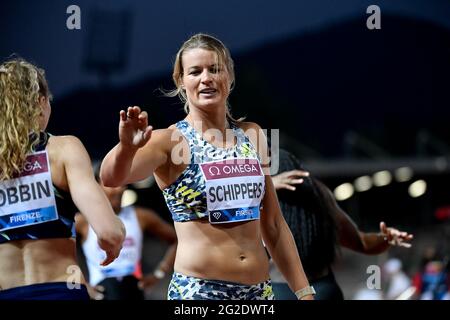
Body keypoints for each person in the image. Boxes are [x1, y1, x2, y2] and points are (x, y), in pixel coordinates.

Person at [100, 33, 314, 300]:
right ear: (181, 82)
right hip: (199, 293)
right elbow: (110, 177)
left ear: (229, 76)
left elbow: (273, 224)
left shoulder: (252, 134)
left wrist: (304, 292)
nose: (206, 78)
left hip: (259, 293)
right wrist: (126, 148)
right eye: (195, 72)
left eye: (214, 69)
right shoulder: (168, 141)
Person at [0, 58, 125, 300]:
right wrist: (116, 238)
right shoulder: (63, 149)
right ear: (41, 102)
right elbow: (110, 233)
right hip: (59, 290)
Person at [269, 148, 413, 300]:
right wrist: (385, 239)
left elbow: (361, 242)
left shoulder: (258, 200)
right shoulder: (319, 195)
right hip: (322, 291)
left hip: (282, 292)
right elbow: (363, 243)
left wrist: (386, 238)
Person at [76, 167, 177, 300]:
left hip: (134, 290)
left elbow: (177, 240)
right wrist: (82, 284)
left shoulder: (141, 216)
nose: (119, 189)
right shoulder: (82, 220)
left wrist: (159, 273)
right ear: (97, 187)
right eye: (112, 185)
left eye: (122, 184)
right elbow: (59, 252)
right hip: (103, 290)